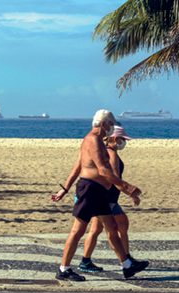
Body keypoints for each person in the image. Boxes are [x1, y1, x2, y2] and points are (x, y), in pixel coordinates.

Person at [50, 110, 148, 281]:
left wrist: (64, 190)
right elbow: (102, 170)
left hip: (99, 192)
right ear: (104, 124)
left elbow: (77, 166)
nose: (112, 128)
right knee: (78, 230)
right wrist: (127, 187)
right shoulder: (93, 140)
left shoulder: (97, 142)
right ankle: (63, 269)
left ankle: (127, 266)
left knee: (112, 227)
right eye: (111, 124)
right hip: (89, 189)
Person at [71, 124, 142, 273]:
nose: (124, 142)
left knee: (111, 226)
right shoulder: (112, 154)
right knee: (103, 229)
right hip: (107, 197)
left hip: (107, 196)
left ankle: (125, 259)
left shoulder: (106, 151)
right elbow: (113, 177)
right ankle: (124, 260)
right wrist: (130, 193)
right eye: (123, 139)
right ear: (115, 138)